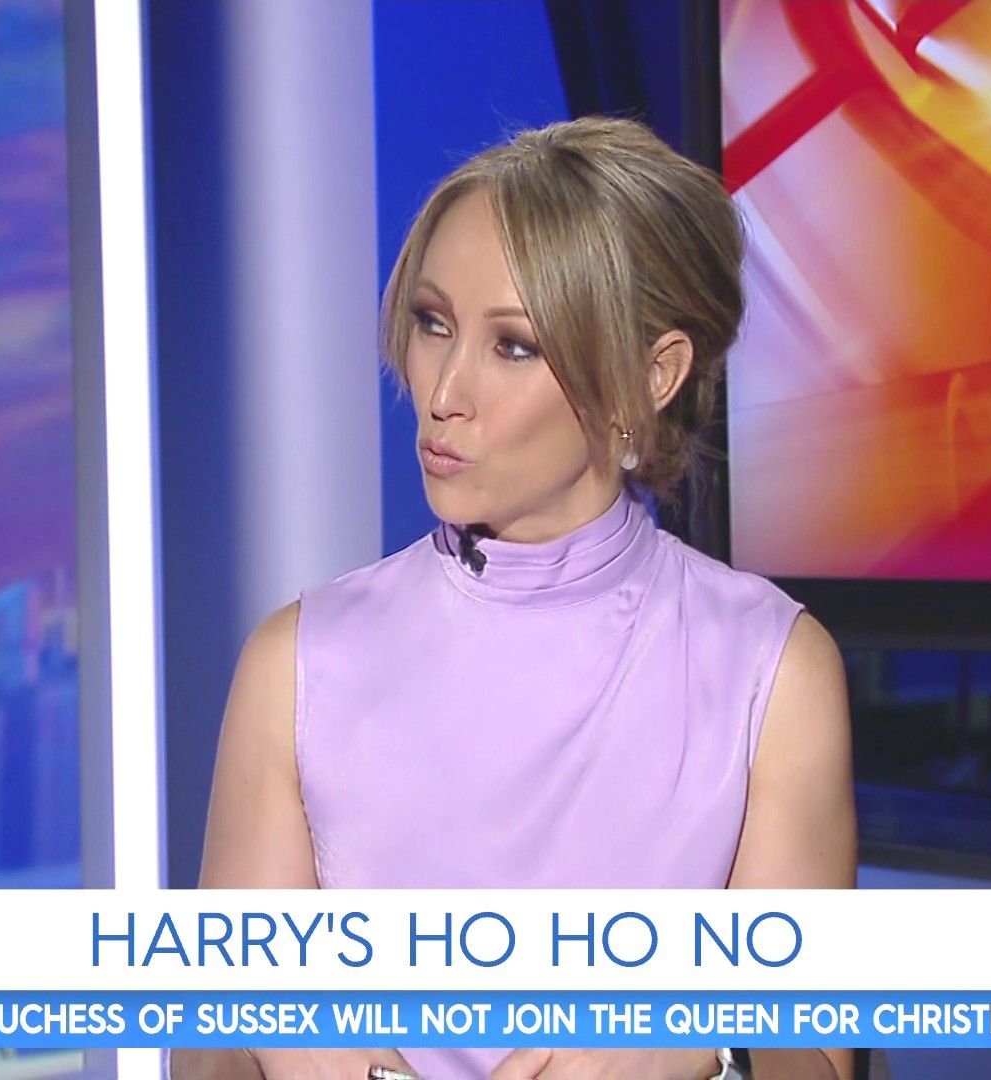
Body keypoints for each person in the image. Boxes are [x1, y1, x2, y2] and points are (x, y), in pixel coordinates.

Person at [173, 116, 856, 1080]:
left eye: (515, 346)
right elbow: (206, 1057)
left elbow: (816, 1055)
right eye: (433, 323)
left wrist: (693, 1041)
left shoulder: (770, 670)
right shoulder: (297, 663)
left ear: (649, 378)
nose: (444, 392)